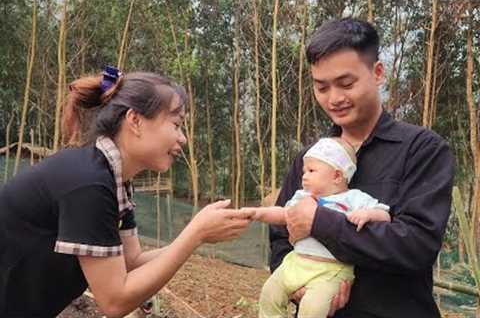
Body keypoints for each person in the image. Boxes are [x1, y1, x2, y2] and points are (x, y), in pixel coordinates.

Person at [0, 67, 254, 317]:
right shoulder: (88, 183)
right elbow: (114, 301)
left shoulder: (115, 182)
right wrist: (195, 233)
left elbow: (131, 262)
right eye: (176, 125)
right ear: (134, 120)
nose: (183, 139)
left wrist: (197, 237)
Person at [270, 18, 455, 318]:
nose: (334, 99)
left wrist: (321, 222)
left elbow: (417, 245)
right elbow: (280, 237)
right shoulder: (310, 158)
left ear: (378, 73)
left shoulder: (422, 149)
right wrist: (297, 288)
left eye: (346, 84)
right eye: (322, 87)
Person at [248, 137, 391, 318]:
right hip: (295, 262)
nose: (304, 175)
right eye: (304, 171)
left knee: (313, 309)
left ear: (337, 175)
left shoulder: (354, 198)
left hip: (330, 271)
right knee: (269, 294)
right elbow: (284, 214)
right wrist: (257, 214)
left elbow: (384, 214)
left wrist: (367, 214)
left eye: (311, 170)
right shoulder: (302, 196)